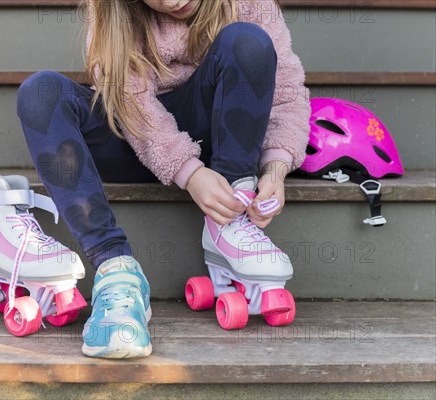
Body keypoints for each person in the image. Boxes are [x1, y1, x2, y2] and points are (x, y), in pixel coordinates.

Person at [16, 0, 310, 358]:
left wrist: (275, 166)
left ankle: (230, 217)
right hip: (135, 135)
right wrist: (189, 173)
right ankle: (115, 270)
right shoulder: (112, 10)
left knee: (248, 40)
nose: (170, 1)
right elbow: (130, 99)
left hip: (219, 135)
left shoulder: (249, 4)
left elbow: (286, 93)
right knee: (40, 92)